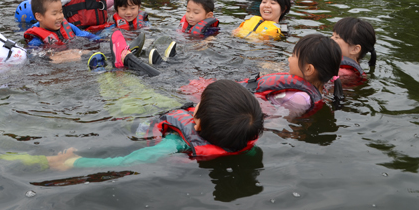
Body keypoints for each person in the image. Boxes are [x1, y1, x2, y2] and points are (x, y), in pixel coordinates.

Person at [46, 80, 264, 169]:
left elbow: (125, 161)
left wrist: (74, 162)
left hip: (137, 124)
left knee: (119, 106)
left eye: (200, 103)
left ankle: (104, 76)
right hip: (162, 114)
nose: (196, 103)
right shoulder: (244, 140)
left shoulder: (174, 144)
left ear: (196, 125)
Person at [244, 34, 342, 118]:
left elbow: (276, 120)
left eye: (293, 55)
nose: (289, 59)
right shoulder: (323, 90)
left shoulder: (300, 100)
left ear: (308, 69)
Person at [24, 0, 100, 48]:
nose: (60, 16)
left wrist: (101, 40)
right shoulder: (36, 40)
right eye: (54, 14)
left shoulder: (69, 27)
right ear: (39, 16)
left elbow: (87, 35)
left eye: (61, 12)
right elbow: (35, 57)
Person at [331, 17, 377, 87]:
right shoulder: (352, 70)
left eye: (336, 37)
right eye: (332, 35)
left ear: (355, 49)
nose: (331, 39)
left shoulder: (343, 74)